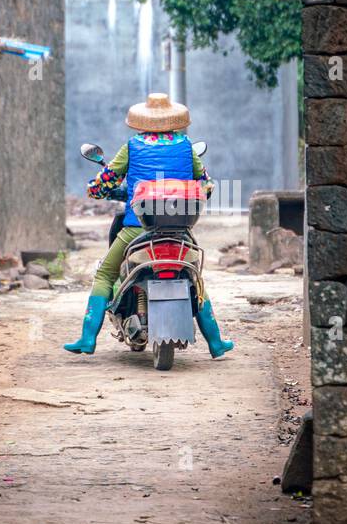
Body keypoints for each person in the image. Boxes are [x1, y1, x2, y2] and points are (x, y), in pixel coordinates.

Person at [65, 93, 234, 358]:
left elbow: (106, 181)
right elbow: (206, 183)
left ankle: (87, 339)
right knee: (194, 278)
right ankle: (216, 343)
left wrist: (97, 189)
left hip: (137, 229)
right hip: (180, 231)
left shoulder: (132, 146)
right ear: (173, 120)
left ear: (142, 121)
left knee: (105, 275)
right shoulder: (187, 146)